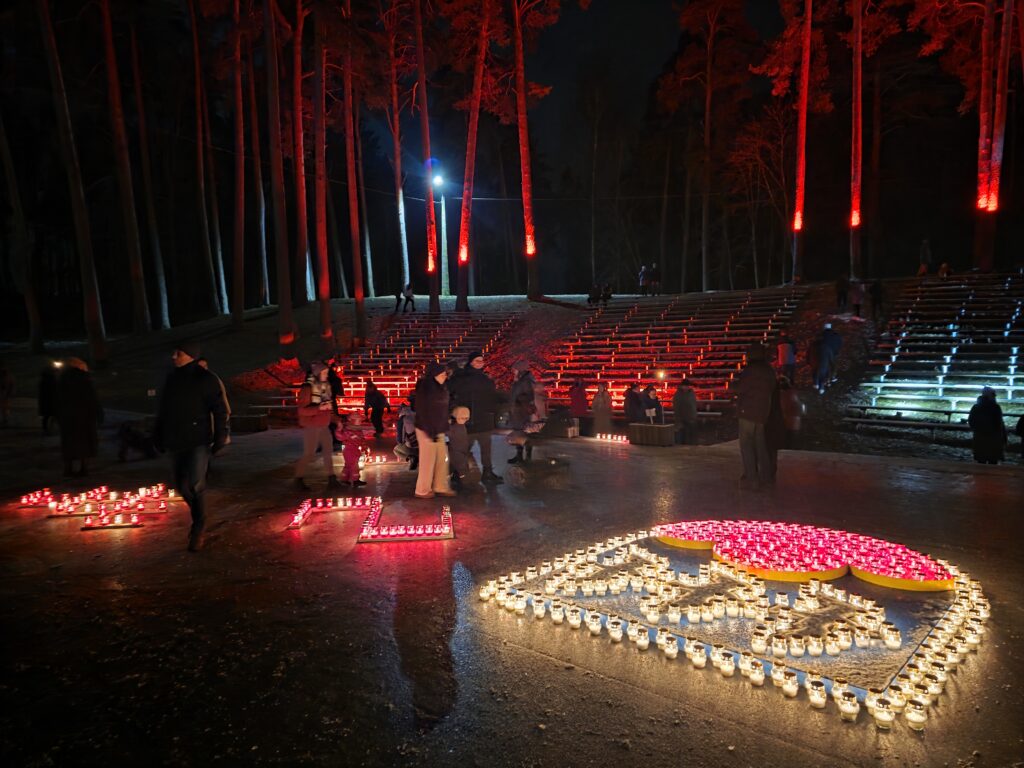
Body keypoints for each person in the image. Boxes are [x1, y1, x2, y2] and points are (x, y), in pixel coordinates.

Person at [153, 342, 229, 551]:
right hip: (175, 440)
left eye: (178, 352)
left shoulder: (206, 379)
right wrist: (157, 435)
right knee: (181, 486)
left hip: (198, 440)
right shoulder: (171, 379)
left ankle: (198, 526)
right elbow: (163, 410)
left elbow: (220, 410)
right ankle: (199, 515)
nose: (173, 356)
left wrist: (221, 436)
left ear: (189, 355)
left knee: (196, 484)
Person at [447, 350, 503, 484]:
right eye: (477, 361)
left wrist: (493, 414)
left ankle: (487, 473)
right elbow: (449, 393)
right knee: (462, 449)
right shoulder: (460, 378)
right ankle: (457, 473)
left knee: (486, 449)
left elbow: (492, 398)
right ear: (471, 362)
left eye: (482, 361)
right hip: (468, 421)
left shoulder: (485, 379)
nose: (480, 363)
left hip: (484, 420)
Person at [732, 343, 777, 489]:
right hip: (763, 412)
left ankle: (752, 478)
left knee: (746, 445)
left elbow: (740, 389)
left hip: (747, 412)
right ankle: (766, 476)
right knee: (761, 444)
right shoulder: (768, 370)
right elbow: (772, 387)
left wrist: (733, 385)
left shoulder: (750, 371)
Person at [293, 362, 341, 492]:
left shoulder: (326, 387)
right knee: (309, 453)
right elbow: (302, 410)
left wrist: (337, 420)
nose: (326, 375)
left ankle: (331, 478)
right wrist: (318, 408)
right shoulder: (307, 388)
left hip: (324, 425)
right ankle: (298, 478)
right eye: (324, 373)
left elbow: (329, 408)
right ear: (317, 374)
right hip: (312, 426)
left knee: (328, 452)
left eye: (327, 372)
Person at [413, 362, 456, 498]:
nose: (445, 376)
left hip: (439, 428)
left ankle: (440, 486)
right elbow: (423, 410)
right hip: (427, 428)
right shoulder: (426, 389)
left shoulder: (441, 387)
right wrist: (430, 431)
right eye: (442, 373)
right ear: (434, 374)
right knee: (428, 460)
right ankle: (422, 490)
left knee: (442, 458)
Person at [57, 358, 103, 478]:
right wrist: (98, 414)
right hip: (84, 416)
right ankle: (84, 468)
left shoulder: (63, 379)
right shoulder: (85, 379)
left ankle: (68, 468)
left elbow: (58, 398)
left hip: (67, 416)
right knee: (85, 442)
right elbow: (92, 398)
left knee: (69, 443)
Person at [967, 387, 1007, 465]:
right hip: (993, 437)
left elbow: (971, 421)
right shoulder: (995, 407)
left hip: (980, 436)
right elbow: (999, 423)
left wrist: (977, 429)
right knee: (992, 461)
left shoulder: (976, 407)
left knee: (981, 460)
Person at [335, 413, 368, 487]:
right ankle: (355, 480)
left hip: (355, 449)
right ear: (352, 421)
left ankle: (344, 479)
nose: (360, 422)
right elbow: (340, 437)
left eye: (360, 420)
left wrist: (364, 447)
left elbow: (362, 439)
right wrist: (339, 429)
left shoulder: (358, 430)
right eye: (358, 420)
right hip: (349, 450)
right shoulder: (348, 430)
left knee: (348, 465)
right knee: (354, 465)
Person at [507, 391, 540, 464]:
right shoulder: (522, 405)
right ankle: (522, 457)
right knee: (522, 441)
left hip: (523, 426)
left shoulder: (521, 404)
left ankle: (523, 457)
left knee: (525, 441)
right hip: (521, 426)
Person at [448, 406, 471, 488]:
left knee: (457, 464)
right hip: (458, 451)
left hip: (458, 450)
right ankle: (461, 478)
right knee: (460, 465)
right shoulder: (459, 427)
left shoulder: (456, 427)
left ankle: (457, 477)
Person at [778, 376, 804, 449]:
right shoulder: (795, 394)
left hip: (787, 425)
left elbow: (782, 409)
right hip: (796, 425)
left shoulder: (782, 396)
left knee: (787, 444)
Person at [672, 378, 698, 445]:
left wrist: (694, 416)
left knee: (691, 437)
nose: (686, 387)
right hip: (682, 419)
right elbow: (676, 407)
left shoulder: (691, 393)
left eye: (687, 386)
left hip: (691, 418)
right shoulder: (678, 395)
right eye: (685, 386)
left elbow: (693, 405)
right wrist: (678, 420)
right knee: (683, 437)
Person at [39, 361, 60, 434]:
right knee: (51, 415)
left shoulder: (45, 379)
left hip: (47, 400)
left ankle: (48, 429)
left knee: (48, 416)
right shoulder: (51, 379)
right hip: (50, 400)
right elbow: (55, 389)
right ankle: (49, 429)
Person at [0, 363, 14, 427]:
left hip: (5, 395)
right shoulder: (9, 377)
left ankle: (5, 419)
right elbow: (11, 385)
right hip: (5, 395)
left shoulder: (7, 378)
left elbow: (10, 386)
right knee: (5, 408)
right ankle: (5, 419)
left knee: (5, 408)